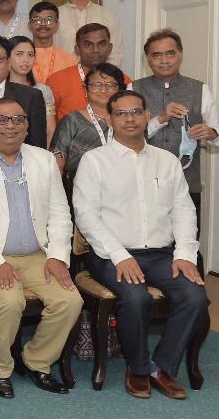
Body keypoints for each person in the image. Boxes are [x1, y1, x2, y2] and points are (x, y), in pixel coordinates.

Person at [73, 90, 209, 400]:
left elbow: (183, 210)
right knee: (135, 297)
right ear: (110, 120)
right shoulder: (95, 161)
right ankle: (137, 368)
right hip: (110, 254)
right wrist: (120, 256)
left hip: (161, 254)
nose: (130, 118)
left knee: (194, 296)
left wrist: (185, 255)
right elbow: (87, 216)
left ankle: (161, 368)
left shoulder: (166, 161)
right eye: (121, 113)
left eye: (136, 112)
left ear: (147, 116)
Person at [0, 97, 82, 398]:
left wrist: (58, 256)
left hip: (36, 255)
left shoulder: (44, 160)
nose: (10, 126)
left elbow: (60, 213)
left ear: (27, 126)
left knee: (70, 300)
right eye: (1, 119)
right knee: (9, 300)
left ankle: (36, 361)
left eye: (18, 119)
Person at [132, 28, 219, 268]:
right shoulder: (134, 88)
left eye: (170, 53)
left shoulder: (199, 89)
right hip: (143, 181)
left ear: (180, 55)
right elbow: (127, 135)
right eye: (156, 55)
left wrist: (211, 133)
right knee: (146, 244)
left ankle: (191, 288)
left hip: (187, 182)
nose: (164, 60)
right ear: (148, 59)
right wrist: (161, 118)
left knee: (187, 244)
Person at [50, 63, 123, 175]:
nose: (103, 89)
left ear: (119, 89)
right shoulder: (71, 121)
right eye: (97, 85)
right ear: (86, 89)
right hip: (76, 184)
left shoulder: (127, 121)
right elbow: (56, 165)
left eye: (110, 85)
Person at [45, 23, 126, 122]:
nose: (96, 50)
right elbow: (48, 124)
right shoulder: (56, 81)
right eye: (88, 45)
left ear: (110, 48)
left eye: (102, 44)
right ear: (77, 49)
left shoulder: (124, 81)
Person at [53, 0, 123, 66]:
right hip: (62, 75)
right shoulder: (55, 16)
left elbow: (116, 55)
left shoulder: (108, 16)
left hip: (99, 75)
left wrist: (100, 75)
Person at [8, 35, 57, 144]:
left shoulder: (43, 90)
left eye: (30, 55)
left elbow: (50, 131)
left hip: (36, 149)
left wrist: (43, 154)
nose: (26, 60)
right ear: (8, 57)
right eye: (19, 54)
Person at [27, 1, 78, 84]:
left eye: (49, 20)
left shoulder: (70, 60)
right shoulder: (20, 59)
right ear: (29, 25)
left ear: (57, 25)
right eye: (37, 20)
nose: (43, 24)